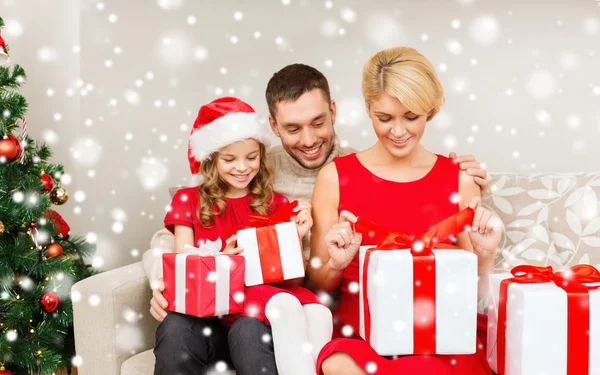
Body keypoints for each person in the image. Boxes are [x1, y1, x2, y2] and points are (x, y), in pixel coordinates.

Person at [148, 64, 490, 374]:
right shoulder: (252, 167)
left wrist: (466, 190)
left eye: (318, 123)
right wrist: (164, 282)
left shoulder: (360, 168)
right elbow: (191, 216)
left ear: (334, 112)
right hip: (238, 301)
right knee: (177, 330)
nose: (309, 140)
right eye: (293, 128)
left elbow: (448, 248)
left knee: (253, 330)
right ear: (272, 126)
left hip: (291, 313)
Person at [308, 47, 504, 375]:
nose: (398, 132)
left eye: (411, 117)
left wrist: (484, 259)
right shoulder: (334, 178)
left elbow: (473, 294)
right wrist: (336, 264)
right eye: (385, 118)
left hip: (440, 334)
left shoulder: (460, 179)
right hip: (361, 333)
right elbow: (318, 286)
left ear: (431, 110)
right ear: (369, 108)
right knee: (339, 363)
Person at [154, 97, 331, 375]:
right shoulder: (188, 200)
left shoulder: (276, 203)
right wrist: (220, 263)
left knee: (296, 317)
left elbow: (290, 280)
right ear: (211, 159)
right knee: (178, 326)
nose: (242, 168)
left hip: (256, 312)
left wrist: (294, 238)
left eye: (251, 157)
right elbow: (183, 267)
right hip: (211, 313)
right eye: (229, 159)